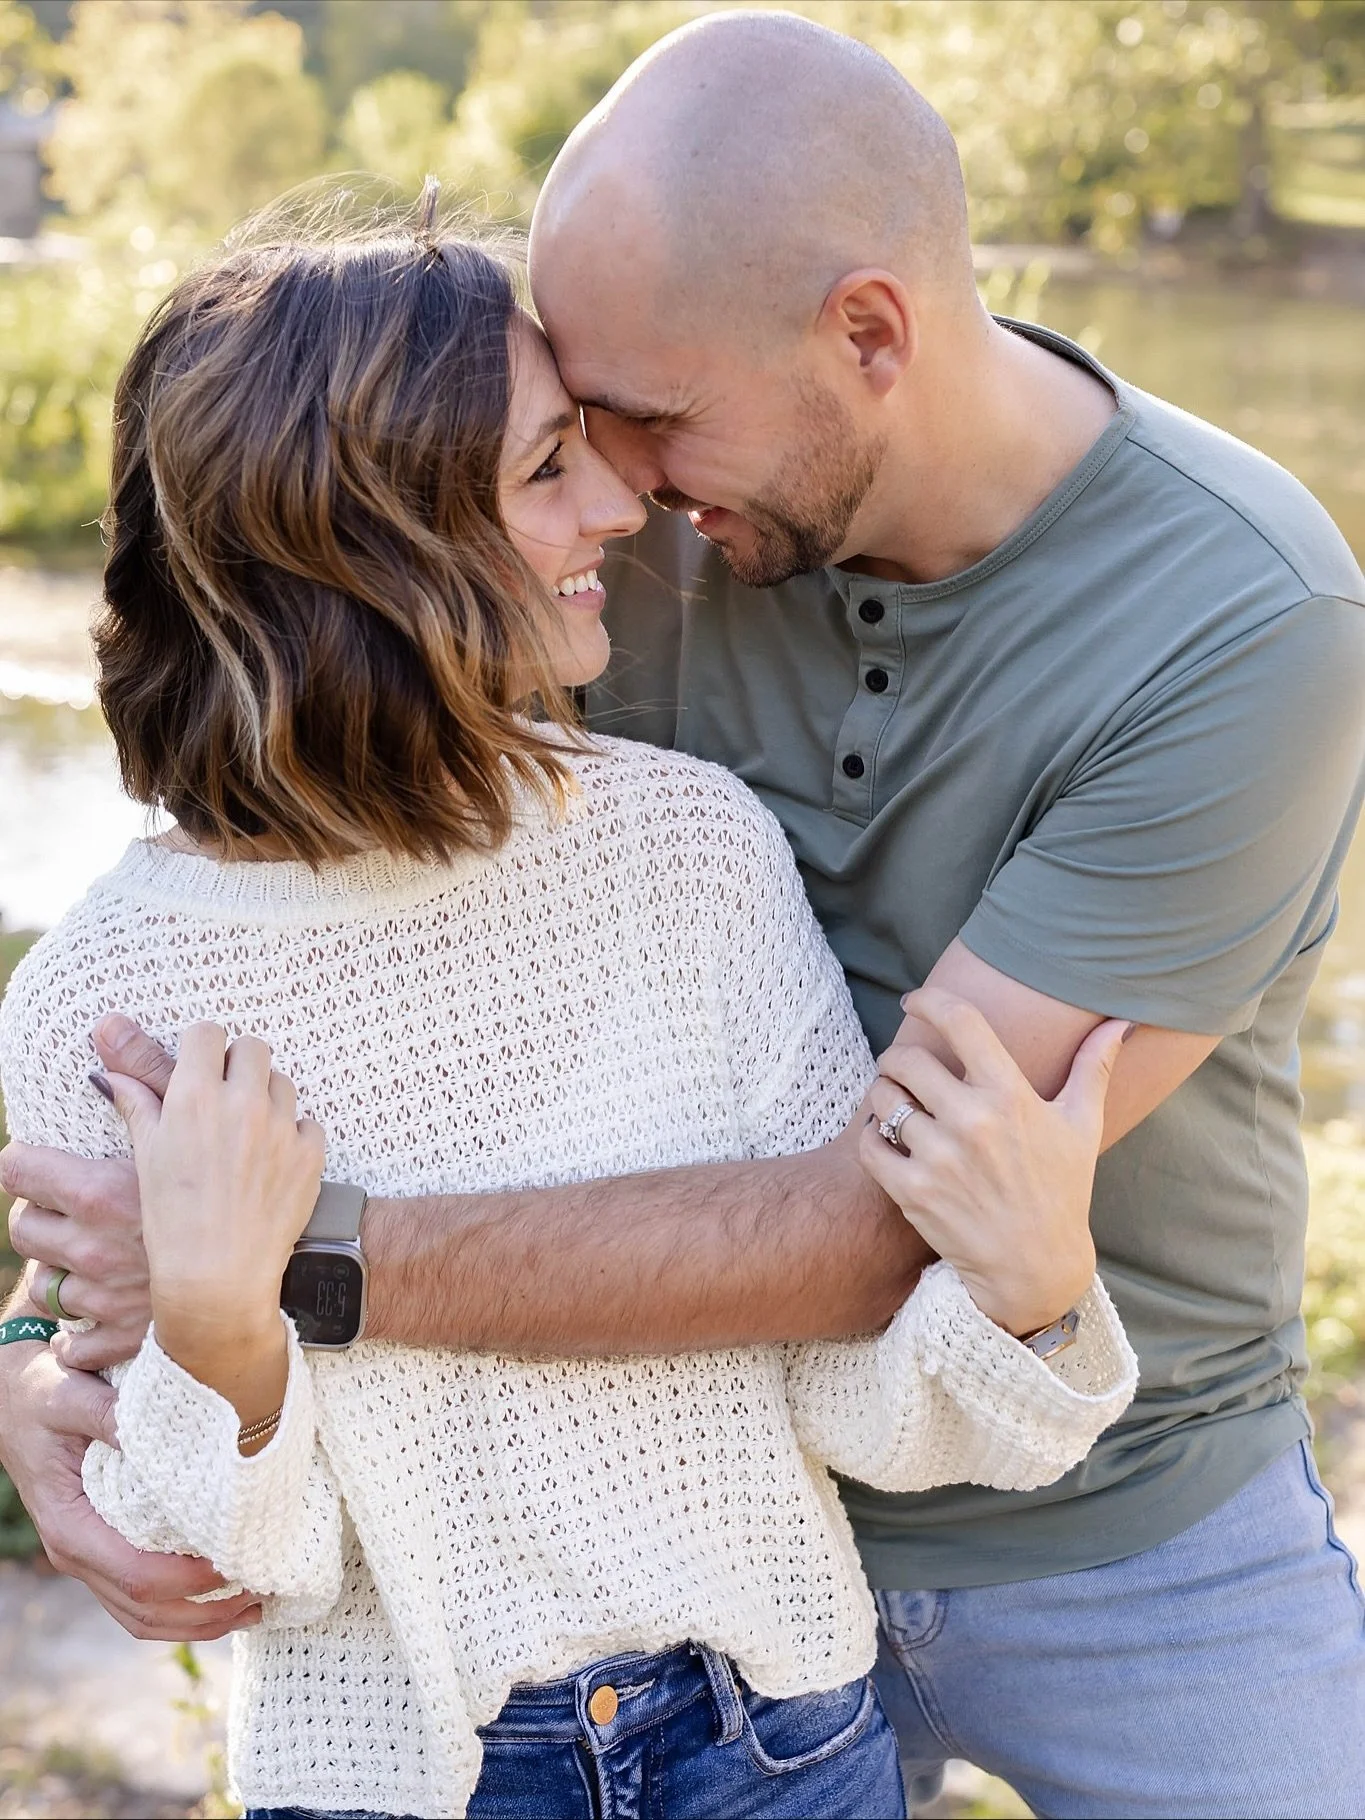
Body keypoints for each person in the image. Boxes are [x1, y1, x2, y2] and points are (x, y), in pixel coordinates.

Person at [5, 10, 1365, 1815]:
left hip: (1106, 1516)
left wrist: (266, 1269)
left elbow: (881, 1228)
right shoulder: (622, 529)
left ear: (867, 336)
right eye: (571, 432)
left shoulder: (1241, 624)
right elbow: (312, 900)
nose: (621, 490)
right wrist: (54, 1352)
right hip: (639, 1553)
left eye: (643, 422)